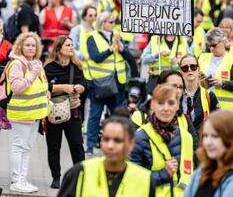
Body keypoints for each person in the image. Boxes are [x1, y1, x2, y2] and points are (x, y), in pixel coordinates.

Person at [58, 116, 155, 197]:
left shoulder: (145, 179)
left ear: (131, 144)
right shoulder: (79, 173)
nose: (110, 146)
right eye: (106, 139)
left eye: (117, 140)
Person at [130, 84, 194, 197]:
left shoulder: (186, 137)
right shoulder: (139, 137)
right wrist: (164, 174)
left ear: (177, 106)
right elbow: (131, 180)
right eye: (160, 103)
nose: (166, 108)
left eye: (171, 103)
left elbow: (189, 178)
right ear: (152, 105)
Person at [85, 11, 133, 156]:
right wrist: (110, 50)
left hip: (117, 83)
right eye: (111, 22)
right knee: (95, 115)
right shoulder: (92, 37)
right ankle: (90, 145)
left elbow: (128, 57)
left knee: (118, 116)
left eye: (114, 22)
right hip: (99, 84)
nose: (113, 25)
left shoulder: (117, 36)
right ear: (103, 23)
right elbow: (96, 57)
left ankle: (120, 143)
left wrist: (121, 46)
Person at [7, 32, 49, 193]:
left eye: (33, 45)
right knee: (18, 147)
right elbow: (17, 87)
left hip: (35, 113)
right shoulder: (17, 64)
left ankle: (22, 179)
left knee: (27, 148)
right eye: (27, 45)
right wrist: (32, 75)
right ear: (20, 46)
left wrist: (46, 92)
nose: (31, 48)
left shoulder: (36, 62)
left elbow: (43, 83)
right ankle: (16, 180)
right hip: (21, 113)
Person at [44, 36, 86, 189]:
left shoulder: (76, 66)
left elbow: (83, 83)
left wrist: (81, 87)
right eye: (68, 45)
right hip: (54, 112)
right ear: (59, 49)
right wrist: (62, 87)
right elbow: (43, 87)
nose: (71, 47)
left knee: (77, 146)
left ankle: (80, 176)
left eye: (72, 45)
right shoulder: (49, 67)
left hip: (73, 111)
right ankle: (56, 177)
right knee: (54, 146)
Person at [184, 110, 233, 197]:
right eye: (205, 136)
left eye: (215, 136)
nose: (208, 142)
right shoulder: (201, 172)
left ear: (232, 139)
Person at [199, 28, 233, 111]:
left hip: (225, 108)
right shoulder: (202, 57)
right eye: (209, 45)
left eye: (214, 45)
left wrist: (222, 83)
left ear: (222, 42)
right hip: (205, 105)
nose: (211, 48)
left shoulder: (232, 59)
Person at [179, 54, 219, 132]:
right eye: (185, 68)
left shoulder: (209, 95)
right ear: (181, 72)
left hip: (202, 141)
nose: (189, 70)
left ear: (198, 69)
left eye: (193, 67)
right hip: (181, 142)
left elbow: (218, 123)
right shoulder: (176, 95)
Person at [69, 5, 97, 80]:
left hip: (95, 70)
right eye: (90, 15)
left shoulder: (97, 30)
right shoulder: (76, 30)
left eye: (95, 15)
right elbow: (71, 49)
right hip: (80, 68)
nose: (93, 18)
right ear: (84, 17)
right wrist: (83, 56)